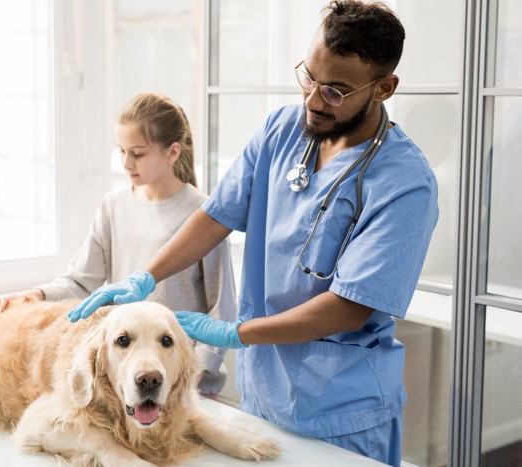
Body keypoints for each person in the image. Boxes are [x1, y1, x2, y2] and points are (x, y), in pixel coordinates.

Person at [67, 2, 439, 466]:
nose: (313, 100)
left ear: (384, 87)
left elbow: (351, 305)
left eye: (336, 91)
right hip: (263, 393)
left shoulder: (405, 183)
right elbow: (216, 216)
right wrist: (144, 277)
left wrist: (235, 332)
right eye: (308, 76)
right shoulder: (281, 131)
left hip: (343, 410)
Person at [0, 92, 237, 397]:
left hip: (180, 381)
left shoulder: (205, 215)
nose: (126, 163)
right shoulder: (113, 206)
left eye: (138, 153)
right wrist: (36, 295)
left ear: (172, 153)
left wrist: (196, 371)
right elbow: (82, 282)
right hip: (130, 378)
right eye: (121, 151)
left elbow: (222, 307)